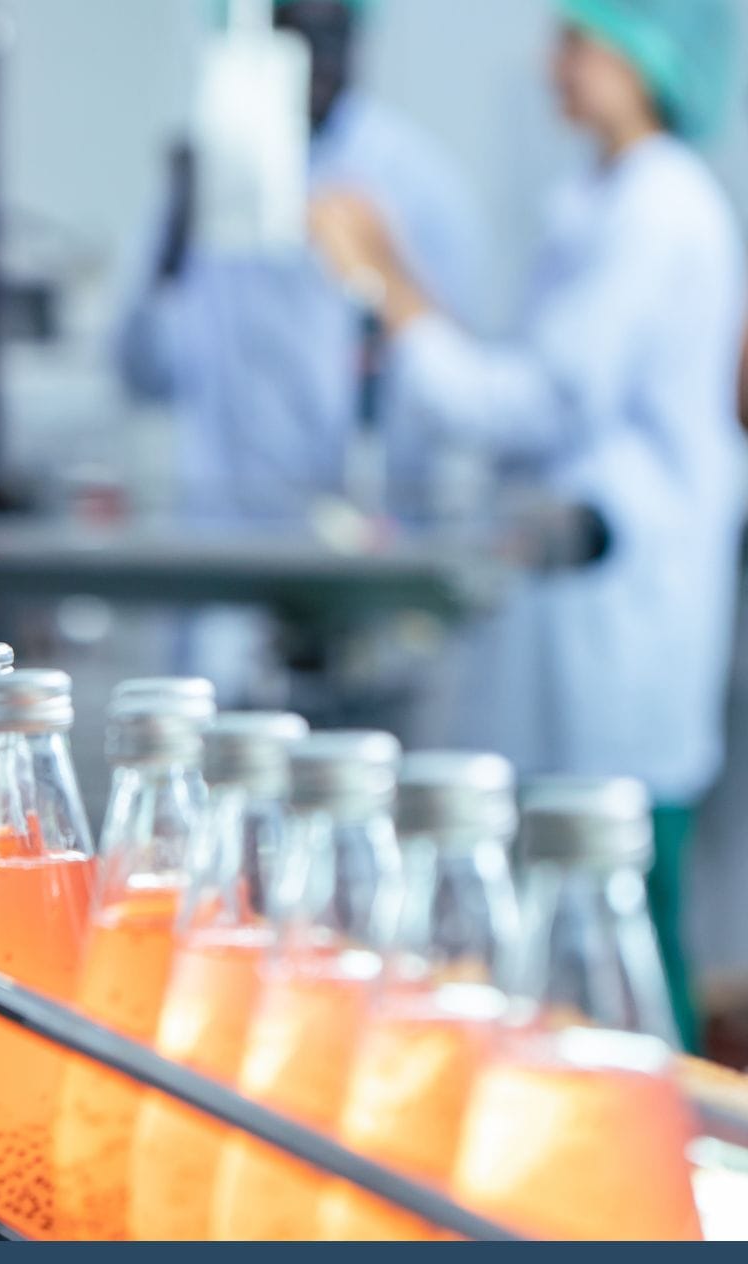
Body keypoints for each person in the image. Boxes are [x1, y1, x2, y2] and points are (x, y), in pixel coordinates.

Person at [310, 0, 745, 1052]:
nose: (555, 62)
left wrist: (391, 285)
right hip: (582, 610)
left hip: (622, 606)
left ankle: (677, 1185)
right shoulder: (599, 200)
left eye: (579, 39)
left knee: (629, 924)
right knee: (576, 922)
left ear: (643, 57)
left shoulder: (660, 208)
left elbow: (543, 401)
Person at [115, 0, 483, 695]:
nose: (312, 53)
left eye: (328, 27)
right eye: (289, 26)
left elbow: (452, 396)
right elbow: (140, 371)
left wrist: (381, 275)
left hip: (358, 587)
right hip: (220, 581)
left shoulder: (415, 183)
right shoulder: (212, 168)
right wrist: (175, 235)